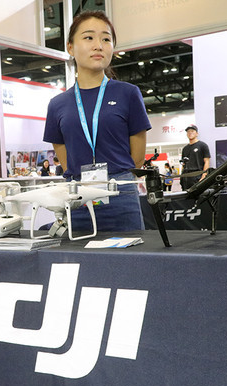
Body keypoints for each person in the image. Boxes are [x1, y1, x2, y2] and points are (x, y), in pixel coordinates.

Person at [43, 10, 150, 231]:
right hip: (78, 196)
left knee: (129, 252)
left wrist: (115, 179)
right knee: (79, 252)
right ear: (70, 47)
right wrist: (84, 180)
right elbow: (64, 156)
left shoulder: (128, 93)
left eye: (106, 39)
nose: (98, 45)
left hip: (121, 194)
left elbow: (138, 158)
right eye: (89, 37)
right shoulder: (57, 104)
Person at [180, 125, 210, 190]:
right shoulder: (185, 148)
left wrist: (203, 176)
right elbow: (183, 164)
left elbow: (207, 161)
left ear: (197, 133)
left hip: (197, 175)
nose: (190, 133)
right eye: (188, 131)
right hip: (186, 177)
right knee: (186, 195)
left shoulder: (203, 145)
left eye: (192, 131)